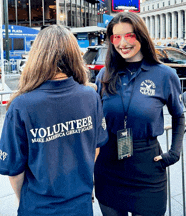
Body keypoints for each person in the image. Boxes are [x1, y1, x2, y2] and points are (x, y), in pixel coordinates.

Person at [0, 25, 108, 216]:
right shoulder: (90, 96)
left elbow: (14, 171)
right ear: (74, 55)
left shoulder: (21, 105)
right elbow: (95, 149)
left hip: (38, 208)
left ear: (37, 56)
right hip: (80, 206)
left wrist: (25, 201)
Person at [94, 12, 185, 216]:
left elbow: (179, 116)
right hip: (109, 168)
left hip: (147, 170)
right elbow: (95, 119)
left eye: (130, 35)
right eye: (116, 37)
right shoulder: (104, 75)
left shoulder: (165, 75)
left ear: (141, 36)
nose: (123, 42)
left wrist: (174, 153)